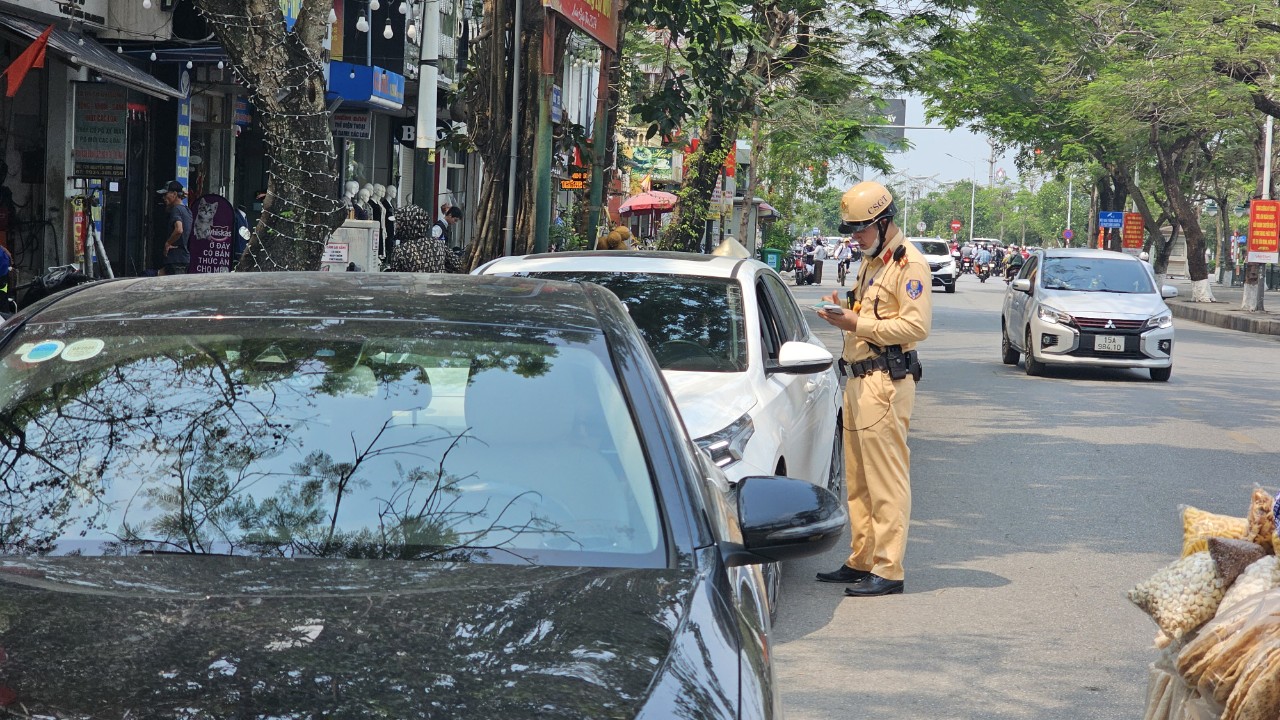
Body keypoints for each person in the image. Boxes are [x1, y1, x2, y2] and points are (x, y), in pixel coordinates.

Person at [813, 180, 931, 598]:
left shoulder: (907, 264)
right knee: (859, 480)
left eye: (860, 229)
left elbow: (916, 326)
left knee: (886, 480)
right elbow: (871, 313)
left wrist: (855, 324)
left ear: (884, 222)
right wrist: (846, 313)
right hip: (859, 380)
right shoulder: (872, 261)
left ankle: (889, 569)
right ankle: (862, 558)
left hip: (885, 383)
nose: (854, 237)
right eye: (850, 229)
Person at [382, 204, 461, 273]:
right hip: (436, 288)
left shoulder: (400, 251)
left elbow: (396, 278)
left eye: (399, 223)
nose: (396, 226)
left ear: (408, 225)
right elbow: (458, 264)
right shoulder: (438, 245)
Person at [157, 180, 192, 274]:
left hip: (175, 259)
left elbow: (179, 229)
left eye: (166, 194)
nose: (163, 197)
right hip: (182, 258)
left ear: (174, 194)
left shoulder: (176, 210)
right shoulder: (186, 210)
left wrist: (168, 243)